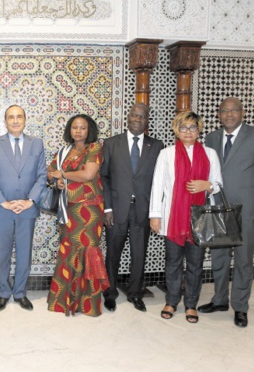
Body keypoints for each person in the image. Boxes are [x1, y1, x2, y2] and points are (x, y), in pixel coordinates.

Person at [198, 97, 254, 328]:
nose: (229, 114)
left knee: (243, 261)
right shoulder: (211, 138)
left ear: (242, 113)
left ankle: (240, 307)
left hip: (248, 211)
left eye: (234, 111)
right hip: (218, 209)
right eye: (224, 111)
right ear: (218, 114)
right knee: (219, 259)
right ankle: (220, 300)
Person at [150, 111, 222, 324]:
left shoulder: (210, 154)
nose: (188, 132)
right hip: (173, 218)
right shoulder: (167, 153)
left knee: (195, 263)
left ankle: (191, 304)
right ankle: (171, 301)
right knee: (172, 262)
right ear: (177, 130)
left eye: (192, 127)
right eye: (183, 128)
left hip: (200, 218)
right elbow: (157, 186)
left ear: (199, 130)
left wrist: (206, 185)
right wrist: (155, 215)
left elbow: (218, 184)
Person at [100, 103, 164, 313]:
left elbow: (158, 181)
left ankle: (135, 293)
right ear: (128, 117)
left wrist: (155, 212)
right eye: (135, 115)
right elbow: (104, 178)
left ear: (147, 121)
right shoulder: (111, 143)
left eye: (143, 117)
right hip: (117, 209)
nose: (138, 119)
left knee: (139, 254)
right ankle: (109, 294)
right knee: (113, 253)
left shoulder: (156, 146)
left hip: (142, 210)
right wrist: (107, 208)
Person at [0, 105, 47, 311]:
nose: (15, 120)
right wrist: (3, 202)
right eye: (11, 117)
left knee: (24, 253)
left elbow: (42, 175)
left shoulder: (36, 144)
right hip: (2, 209)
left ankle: (20, 293)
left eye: (19, 116)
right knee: (2, 253)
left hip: (27, 209)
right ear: (5, 121)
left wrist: (30, 201)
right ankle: (3, 292)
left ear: (25, 120)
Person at [46, 114, 110, 316]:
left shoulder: (94, 149)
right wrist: (55, 179)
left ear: (89, 130)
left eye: (82, 128)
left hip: (89, 211)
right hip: (68, 210)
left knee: (88, 250)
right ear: (69, 130)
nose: (78, 131)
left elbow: (88, 174)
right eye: (75, 127)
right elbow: (50, 170)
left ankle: (88, 304)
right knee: (68, 250)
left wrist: (63, 175)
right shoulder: (64, 151)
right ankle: (63, 302)